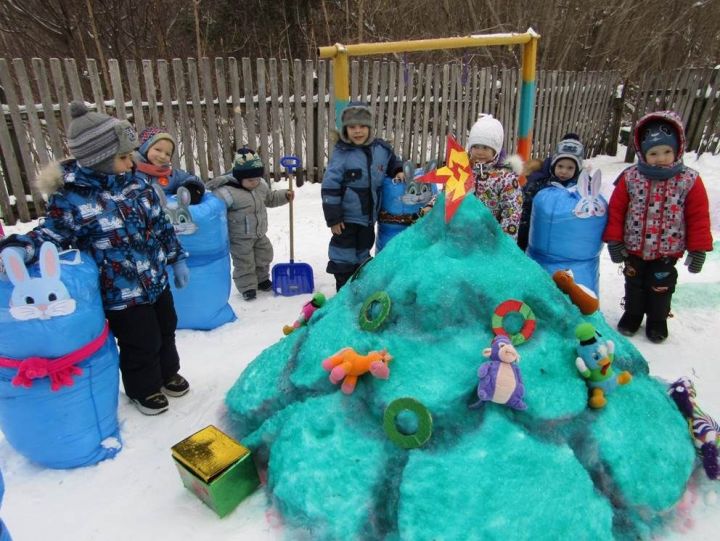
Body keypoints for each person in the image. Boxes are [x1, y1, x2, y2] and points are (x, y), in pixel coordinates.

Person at [0, 101, 191, 415]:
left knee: (166, 327)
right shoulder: (72, 199)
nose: (131, 162)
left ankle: (168, 372)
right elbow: (51, 233)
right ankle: (143, 389)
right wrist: (21, 247)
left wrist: (176, 259)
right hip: (120, 292)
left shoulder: (136, 184)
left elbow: (160, 224)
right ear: (98, 159)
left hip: (155, 278)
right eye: (123, 157)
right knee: (139, 341)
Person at [603, 110, 713, 343]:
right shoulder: (630, 177)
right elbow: (616, 210)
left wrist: (698, 249)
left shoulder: (688, 180)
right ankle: (632, 314)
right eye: (653, 153)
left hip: (667, 250)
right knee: (634, 283)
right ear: (643, 153)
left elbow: (698, 216)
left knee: (661, 285)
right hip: (634, 248)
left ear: (677, 150)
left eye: (666, 152)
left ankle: (657, 319)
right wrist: (614, 240)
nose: (660, 158)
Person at [321, 102, 403, 291]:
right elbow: (330, 186)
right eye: (352, 127)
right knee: (343, 254)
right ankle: (343, 289)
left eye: (362, 126)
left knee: (363, 251)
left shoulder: (381, 149)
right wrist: (334, 217)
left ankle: (359, 286)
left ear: (370, 127)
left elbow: (392, 160)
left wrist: (397, 170)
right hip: (346, 218)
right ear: (345, 129)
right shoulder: (342, 154)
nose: (358, 131)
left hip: (368, 218)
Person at [206, 147, 293, 301]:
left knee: (264, 255)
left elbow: (270, 199)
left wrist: (285, 196)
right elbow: (214, 211)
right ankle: (247, 287)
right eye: (250, 180)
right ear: (239, 177)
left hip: (259, 233)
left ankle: (262, 279)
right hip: (239, 237)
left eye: (257, 179)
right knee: (244, 262)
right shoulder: (226, 192)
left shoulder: (260, 186)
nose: (255, 183)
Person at [420, 114, 523, 239]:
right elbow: (447, 194)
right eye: (475, 147)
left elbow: (511, 213)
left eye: (485, 148)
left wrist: (505, 244)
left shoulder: (505, 178)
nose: (479, 152)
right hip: (458, 235)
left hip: (488, 240)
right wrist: (432, 205)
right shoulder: (462, 171)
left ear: (496, 150)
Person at [518, 133, 584, 250]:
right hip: (537, 236)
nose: (564, 171)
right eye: (560, 166)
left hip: (564, 240)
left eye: (570, 168)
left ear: (577, 169)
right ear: (553, 165)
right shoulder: (539, 183)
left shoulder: (580, 188)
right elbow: (525, 209)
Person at [134, 127, 205, 204]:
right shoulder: (131, 172)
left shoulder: (170, 175)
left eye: (168, 154)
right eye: (158, 150)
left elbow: (191, 178)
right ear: (145, 149)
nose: (162, 156)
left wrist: (191, 188)